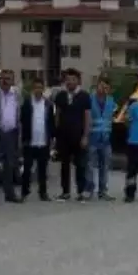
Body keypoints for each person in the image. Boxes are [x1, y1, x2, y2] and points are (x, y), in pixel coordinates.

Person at [52, 67, 91, 202]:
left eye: (73, 79)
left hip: (79, 136)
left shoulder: (84, 96)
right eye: (67, 80)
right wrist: (56, 135)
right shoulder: (60, 96)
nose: (70, 82)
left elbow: (87, 117)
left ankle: (81, 191)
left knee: (80, 165)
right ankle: (65, 192)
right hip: (63, 136)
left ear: (78, 81)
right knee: (64, 165)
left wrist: (85, 136)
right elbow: (57, 115)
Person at [0, 68, 22, 203]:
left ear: (13, 81)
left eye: (8, 79)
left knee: (9, 165)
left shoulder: (17, 95)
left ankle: (10, 194)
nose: (5, 81)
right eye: (2, 78)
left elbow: (19, 116)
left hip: (11, 133)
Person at [21, 78, 54, 201]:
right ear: (32, 89)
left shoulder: (48, 104)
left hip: (43, 141)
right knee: (27, 168)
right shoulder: (27, 103)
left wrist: (51, 138)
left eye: (40, 87)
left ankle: (43, 192)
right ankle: (24, 192)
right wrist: (23, 138)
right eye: (36, 87)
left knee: (42, 170)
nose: (38, 90)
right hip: (30, 141)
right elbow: (23, 121)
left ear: (43, 89)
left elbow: (51, 122)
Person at [86, 76, 117, 201]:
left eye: (106, 87)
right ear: (97, 85)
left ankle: (103, 191)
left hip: (105, 139)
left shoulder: (111, 101)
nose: (103, 89)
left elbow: (111, 118)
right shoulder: (89, 99)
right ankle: (89, 190)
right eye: (102, 86)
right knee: (90, 166)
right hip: (92, 138)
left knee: (105, 167)